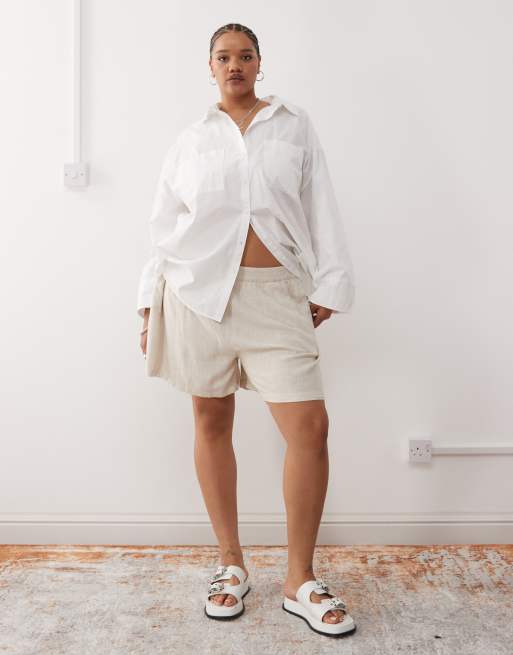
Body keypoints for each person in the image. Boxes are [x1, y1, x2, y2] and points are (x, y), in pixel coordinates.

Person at [136, 22, 356, 637]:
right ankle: (230, 564)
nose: (235, 65)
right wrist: (147, 303)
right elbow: (163, 227)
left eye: (245, 55)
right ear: (210, 67)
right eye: (223, 56)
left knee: (310, 428)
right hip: (199, 298)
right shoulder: (190, 141)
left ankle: (299, 578)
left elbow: (321, 204)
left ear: (261, 64)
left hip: (277, 295)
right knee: (211, 422)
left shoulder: (294, 126)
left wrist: (331, 281)